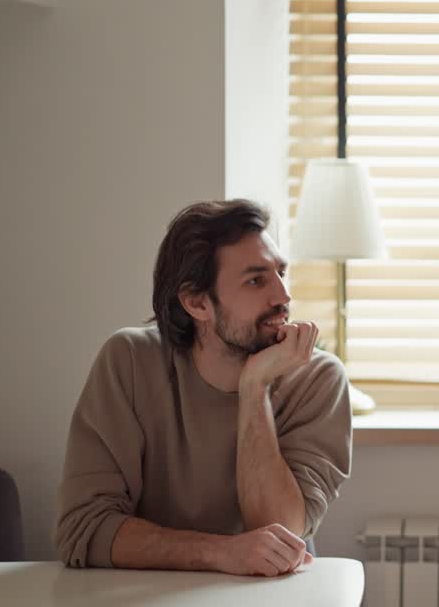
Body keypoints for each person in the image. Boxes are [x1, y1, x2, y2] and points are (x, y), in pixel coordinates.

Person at [55, 200, 351, 577]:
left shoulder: (317, 379)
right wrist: (221, 553)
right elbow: (83, 530)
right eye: (256, 280)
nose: (282, 297)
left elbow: (278, 536)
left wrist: (254, 387)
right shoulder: (129, 361)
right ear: (197, 302)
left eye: (281, 273)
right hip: (138, 604)